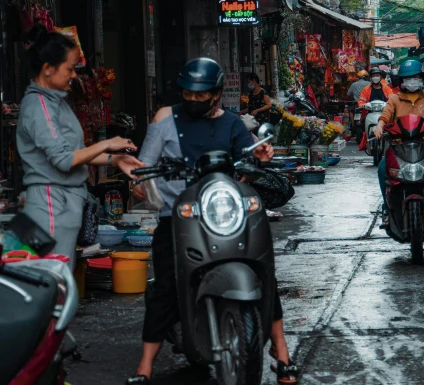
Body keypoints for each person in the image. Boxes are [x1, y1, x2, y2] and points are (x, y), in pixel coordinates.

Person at [127, 58, 299, 385]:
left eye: (200, 95)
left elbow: (250, 160)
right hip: (179, 213)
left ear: (217, 94)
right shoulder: (166, 120)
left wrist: (260, 157)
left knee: (263, 271)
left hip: (223, 210)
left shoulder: (232, 124)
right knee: (165, 285)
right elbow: (142, 167)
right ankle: (144, 367)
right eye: (187, 93)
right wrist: (143, 182)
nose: (192, 99)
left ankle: (281, 352)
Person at [16, 31, 141, 268]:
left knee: (61, 276)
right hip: (50, 204)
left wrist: (115, 160)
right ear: (48, 68)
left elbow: (79, 152)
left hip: (65, 203)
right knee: (53, 278)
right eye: (70, 68)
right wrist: (106, 143)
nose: (74, 75)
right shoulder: (38, 106)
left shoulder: (57, 102)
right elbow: (64, 160)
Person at [374, 59, 424, 217]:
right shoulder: (394, 99)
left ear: (422, 78)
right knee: (383, 169)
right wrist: (379, 126)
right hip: (398, 146)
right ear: (402, 80)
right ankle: (387, 206)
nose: (412, 81)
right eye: (408, 78)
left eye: (416, 77)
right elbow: (385, 115)